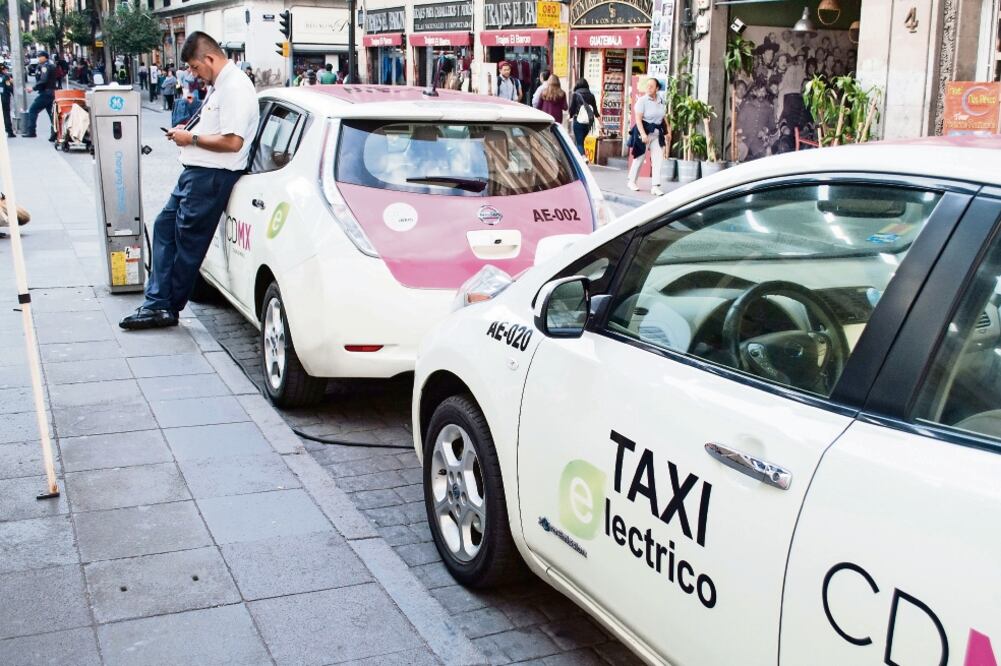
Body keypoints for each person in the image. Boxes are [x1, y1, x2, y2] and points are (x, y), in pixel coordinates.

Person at [120, 31, 258, 330]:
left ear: (209, 58)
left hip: (210, 176)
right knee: (165, 227)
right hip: (196, 173)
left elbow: (233, 141)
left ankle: (166, 306)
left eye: (195, 68)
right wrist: (189, 132)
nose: (194, 75)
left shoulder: (235, 87)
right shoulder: (221, 86)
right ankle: (157, 301)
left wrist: (191, 138)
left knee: (187, 244)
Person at [627, 77, 668, 196]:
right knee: (639, 157)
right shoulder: (642, 101)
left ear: (657, 88)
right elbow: (638, 120)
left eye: (652, 86)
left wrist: (667, 132)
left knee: (658, 159)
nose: (649, 88)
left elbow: (663, 118)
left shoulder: (661, 100)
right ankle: (631, 181)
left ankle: (655, 186)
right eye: (647, 86)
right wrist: (643, 134)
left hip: (656, 133)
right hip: (643, 131)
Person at [23, 51, 56, 139]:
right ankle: (55, 134)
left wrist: (33, 88)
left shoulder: (46, 66)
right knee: (52, 115)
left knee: (33, 110)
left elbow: (43, 80)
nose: (38, 58)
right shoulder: (49, 65)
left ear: (45, 57)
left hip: (46, 93)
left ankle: (31, 131)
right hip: (51, 93)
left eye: (40, 57)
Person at [568, 78, 597, 157]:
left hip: (578, 121)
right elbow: (595, 109)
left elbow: (572, 108)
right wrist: (598, 118)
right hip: (588, 122)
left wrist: (570, 116)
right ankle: (580, 158)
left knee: (579, 142)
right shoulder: (591, 95)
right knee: (581, 141)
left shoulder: (575, 94)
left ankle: (583, 157)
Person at [1, 63, 14, 138]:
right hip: (4, 98)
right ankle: (9, 131)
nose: (7, 71)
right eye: (6, 69)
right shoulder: (6, 77)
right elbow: (9, 87)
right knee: (6, 115)